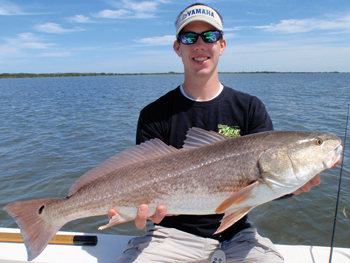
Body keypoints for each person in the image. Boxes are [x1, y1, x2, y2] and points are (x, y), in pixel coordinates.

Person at [109, 3, 321, 262]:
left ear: (222, 45)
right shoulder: (155, 114)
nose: (200, 45)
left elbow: (267, 184)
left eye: (210, 36)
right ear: (178, 47)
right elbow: (140, 177)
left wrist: (293, 185)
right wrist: (141, 210)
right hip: (169, 236)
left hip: (238, 236)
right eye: (189, 37)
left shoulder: (250, 108)